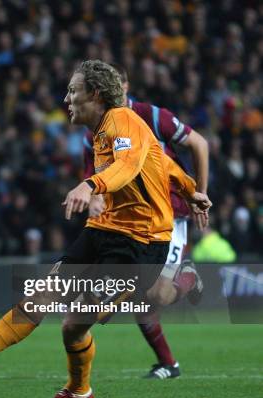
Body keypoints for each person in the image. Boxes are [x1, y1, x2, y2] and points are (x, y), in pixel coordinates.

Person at [0, 60, 212, 398]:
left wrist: (90, 184)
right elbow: (161, 160)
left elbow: (128, 166)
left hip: (140, 245)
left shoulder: (124, 119)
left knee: (73, 324)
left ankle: (80, 391)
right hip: (105, 230)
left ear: (94, 94)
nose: (66, 98)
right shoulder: (99, 132)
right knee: (36, 301)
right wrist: (190, 190)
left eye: (73, 90)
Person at [82, 64, 209, 379]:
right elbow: (93, 175)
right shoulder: (95, 129)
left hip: (168, 213)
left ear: (125, 86)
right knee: (140, 296)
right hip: (129, 218)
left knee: (152, 294)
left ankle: (189, 277)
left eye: (118, 85)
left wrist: (199, 194)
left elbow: (200, 144)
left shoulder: (151, 116)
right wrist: (94, 199)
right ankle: (169, 364)